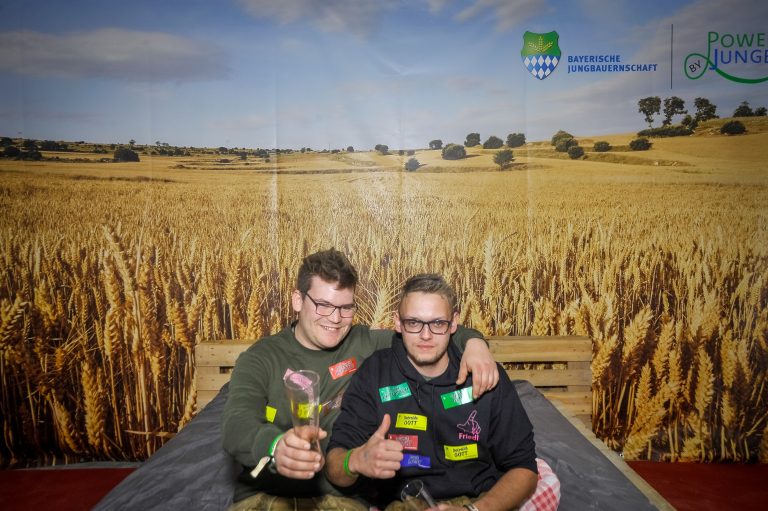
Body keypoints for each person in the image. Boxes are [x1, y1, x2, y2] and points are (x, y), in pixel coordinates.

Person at [222, 250, 500, 510]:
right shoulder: (261, 358)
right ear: (298, 300)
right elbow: (237, 423)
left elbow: (426, 333)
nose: (335, 318)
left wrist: (475, 343)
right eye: (323, 305)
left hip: (340, 498)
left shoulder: (365, 343)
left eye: (346, 307)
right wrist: (276, 446)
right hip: (266, 495)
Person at [326, 273, 552, 511]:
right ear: (398, 323)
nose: (426, 335)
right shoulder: (375, 372)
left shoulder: (484, 374)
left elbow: (524, 468)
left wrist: (473, 510)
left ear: (454, 323)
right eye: (414, 323)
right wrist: (355, 461)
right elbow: (334, 465)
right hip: (399, 504)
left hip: (478, 501)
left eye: (437, 323)